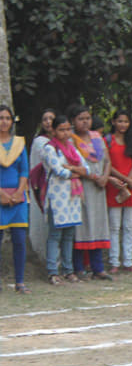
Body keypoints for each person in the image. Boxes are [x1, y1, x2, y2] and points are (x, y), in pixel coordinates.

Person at [41, 115, 88, 285]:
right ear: (53, 131)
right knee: (55, 235)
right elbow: (58, 171)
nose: (66, 133)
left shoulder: (72, 148)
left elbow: (86, 169)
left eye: (68, 129)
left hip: (72, 197)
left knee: (69, 235)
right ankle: (53, 271)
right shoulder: (49, 149)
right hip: (57, 196)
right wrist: (76, 172)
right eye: (62, 129)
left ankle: (69, 271)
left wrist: (72, 168)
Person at [68, 104, 112, 281]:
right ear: (73, 121)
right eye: (81, 119)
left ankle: (98, 268)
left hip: (99, 188)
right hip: (81, 187)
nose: (85, 122)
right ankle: (78, 267)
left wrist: (105, 177)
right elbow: (74, 166)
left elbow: (107, 160)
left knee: (98, 223)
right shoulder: (70, 140)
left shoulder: (97, 137)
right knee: (82, 226)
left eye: (87, 118)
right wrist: (94, 177)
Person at [105, 110, 132, 273]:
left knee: (129, 226)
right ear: (113, 122)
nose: (123, 125)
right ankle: (114, 262)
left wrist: (129, 181)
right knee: (114, 226)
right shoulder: (107, 141)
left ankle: (128, 261)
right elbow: (107, 164)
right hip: (114, 184)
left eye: (126, 122)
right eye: (120, 121)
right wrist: (125, 181)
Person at [0, 105, 31, 293]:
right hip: (0, 196)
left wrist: (19, 191)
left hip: (19, 198)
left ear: (12, 121)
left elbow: (24, 170)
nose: (3, 121)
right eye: (0, 117)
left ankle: (20, 282)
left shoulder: (19, 143)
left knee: (20, 240)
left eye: (7, 118)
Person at [27, 108, 55, 260]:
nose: (48, 122)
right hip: (43, 186)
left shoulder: (64, 141)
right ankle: (44, 258)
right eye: (45, 119)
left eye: (51, 118)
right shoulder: (39, 142)